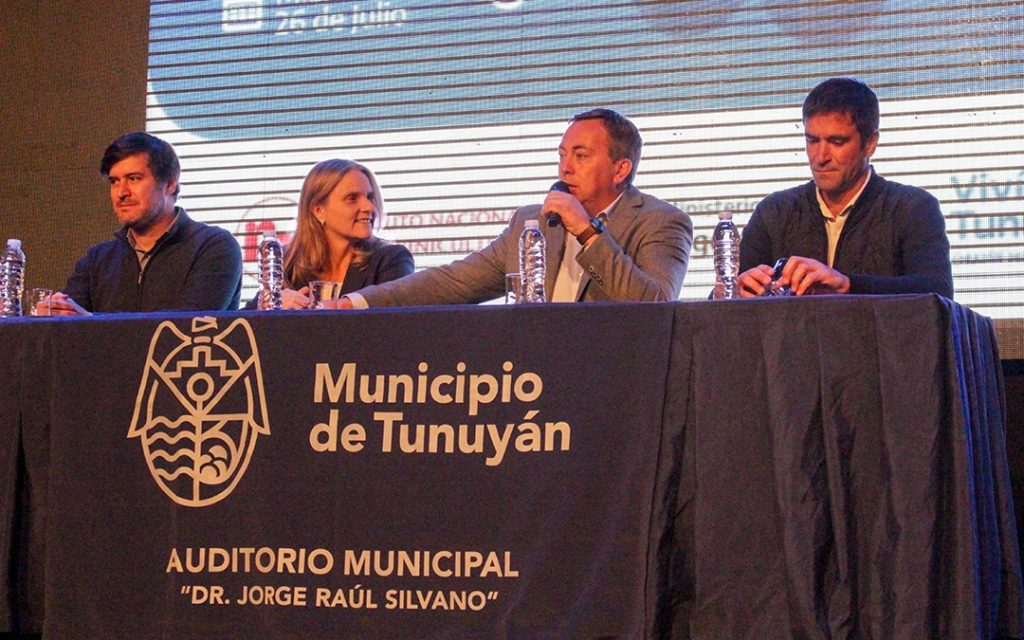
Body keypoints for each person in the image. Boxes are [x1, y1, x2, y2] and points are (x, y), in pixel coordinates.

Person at [342, 108, 693, 308]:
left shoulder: (661, 222)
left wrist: (588, 232)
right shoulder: (531, 221)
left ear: (620, 169)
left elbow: (656, 305)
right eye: (562, 155)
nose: (565, 168)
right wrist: (355, 302)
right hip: (532, 383)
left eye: (581, 156)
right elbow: (453, 282)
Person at [736, 78, 954, 298]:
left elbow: (938, 292)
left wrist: (848, 285)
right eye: (812, 141)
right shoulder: (773, 212)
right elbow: (729, 299)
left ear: (870, 143)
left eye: (837, 142)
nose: (820, 157)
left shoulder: (912, 208)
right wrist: (736, 291)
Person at [45, 132, 243, 315]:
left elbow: (188, 328)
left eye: (133, 178)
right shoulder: (97, 259)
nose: (121, 192)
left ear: (169, 184)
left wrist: (89, 321)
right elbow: (67, 326)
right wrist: (53, 313)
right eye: (114, 181)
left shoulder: (214, 246)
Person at [244, 159, 413, 309]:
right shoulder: (288, 262)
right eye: (352, 198)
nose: (369, 207)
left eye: (370, 197)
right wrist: (272, 304)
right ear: (318, 210)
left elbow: (392, 324)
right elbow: (241, 324)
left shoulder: (391, 259)